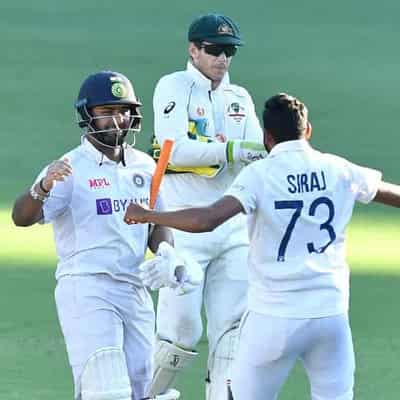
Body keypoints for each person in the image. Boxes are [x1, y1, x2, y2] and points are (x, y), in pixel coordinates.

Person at [124, 92, 400, 400]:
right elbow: (392, 194)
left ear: (267, 137)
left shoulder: (260, 175)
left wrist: (148, 215)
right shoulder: (339, 169)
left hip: (274, 316)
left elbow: (208, 219)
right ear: (307, 130)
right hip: (330, 315)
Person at [11, 70, 202, 400]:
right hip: (86, 286)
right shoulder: (69, 167)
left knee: (144, 390)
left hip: (134, 289)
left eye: (123, 111)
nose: (117, 120)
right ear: (88, 115)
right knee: (106, 389)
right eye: (107, 112)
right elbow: (21, 217)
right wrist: (42, 187)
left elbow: (157, 224)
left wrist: (167, 253)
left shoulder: (144, 166)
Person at [149, 12, 267, 400]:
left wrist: (247, 155)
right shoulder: (174, 87)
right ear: (193, 49)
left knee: (233, 332)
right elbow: (171, 149)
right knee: (180, 336)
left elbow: (259, 155)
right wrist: (229, 150)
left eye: (229, 51)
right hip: (184, 227)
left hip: (232, 228)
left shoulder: (239, 97)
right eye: (214, 49)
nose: (223, 59)